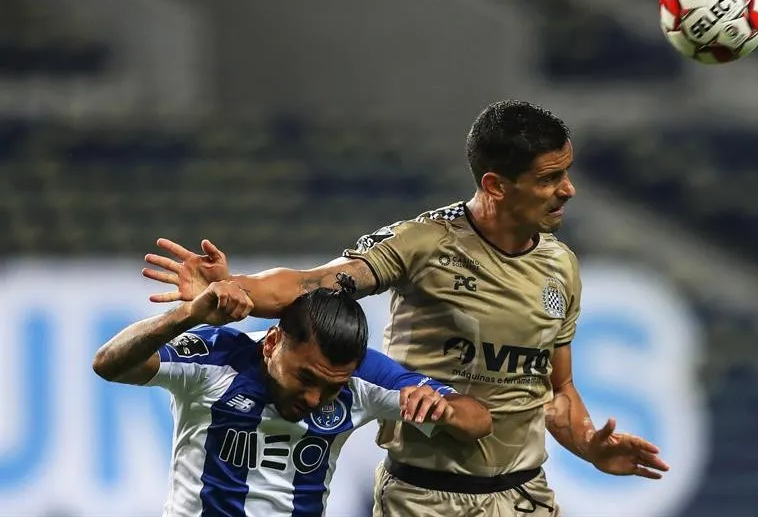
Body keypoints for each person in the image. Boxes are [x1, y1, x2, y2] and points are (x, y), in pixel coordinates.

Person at [142, 100, 670, 516]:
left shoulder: (561, 267)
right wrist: (235, 290)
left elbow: (556, 390)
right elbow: (313, 283)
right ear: (495, 186)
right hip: (425, 500)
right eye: (549, 179)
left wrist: (588, 446)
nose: (567, 190)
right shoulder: (425, 243)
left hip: (523, 497)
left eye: (567, 173)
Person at [93, 272, 492, 517]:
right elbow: (109, 364)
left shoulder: (361, 376)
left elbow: (478, 419)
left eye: (331, 388)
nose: (316, 399)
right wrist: (187, 316)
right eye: (305, 377)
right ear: (271, 344)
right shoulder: (219, 357)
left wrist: (444, 409)